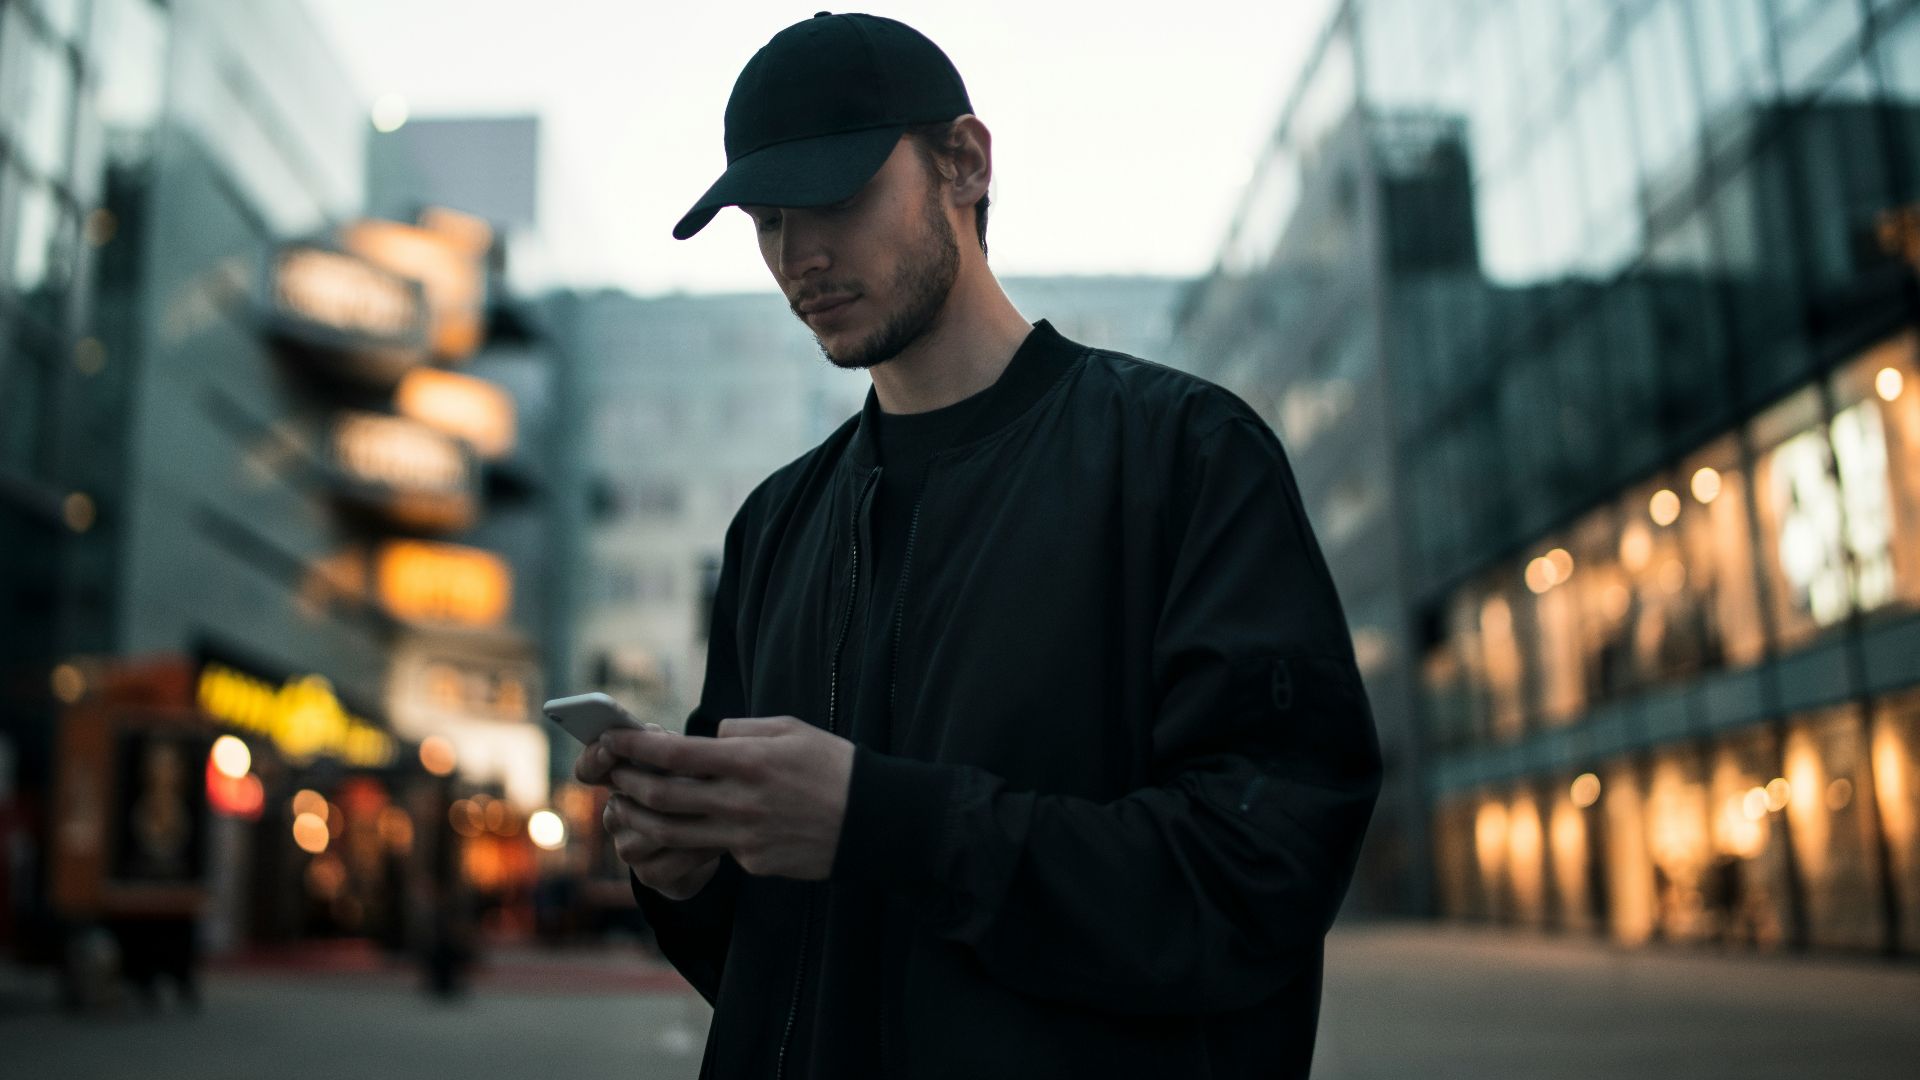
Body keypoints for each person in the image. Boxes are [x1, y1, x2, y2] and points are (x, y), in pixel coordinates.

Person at [572, 12, 1382, 1079]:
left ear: (964, 161)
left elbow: (1258, 877)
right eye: (766, 219)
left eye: (837, 196)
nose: (797, 255)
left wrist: (882, 821)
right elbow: (770, 961)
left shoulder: (1184, 458)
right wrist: (685, 874)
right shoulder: (773, 528)